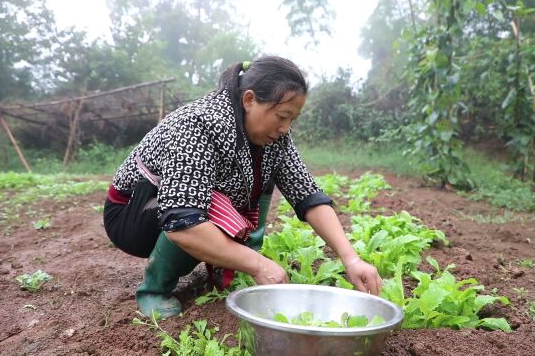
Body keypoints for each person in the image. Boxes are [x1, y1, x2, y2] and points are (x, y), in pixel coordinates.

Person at [103, 56, 382, 319]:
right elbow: (181, 219)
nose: (286, 128)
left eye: (292, 120)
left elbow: (306, 194)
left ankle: (237, 258)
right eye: (281, 116)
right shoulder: (198, 124)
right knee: (197, 200)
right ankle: (154, 289)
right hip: (133, 214)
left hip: (176, 209)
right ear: (249, 100)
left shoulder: (275, 137)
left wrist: (351, 259)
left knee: (265, 169)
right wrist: (258, 265)